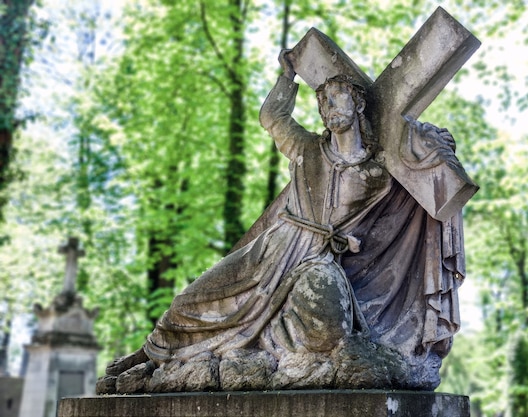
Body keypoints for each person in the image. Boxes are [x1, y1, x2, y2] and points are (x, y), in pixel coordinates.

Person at [98, 50, 467, 393]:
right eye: (321, 100)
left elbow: (426, 202)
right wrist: (287, 78)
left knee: (324, 326)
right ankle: (147, 360)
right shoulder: (307, 149)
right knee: (191, 301)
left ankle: (277, 356)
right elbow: (273, 117)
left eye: (336, 96)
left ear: (357, 103)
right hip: (272, 251)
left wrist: (435, 144)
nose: (326, 106)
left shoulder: (378, 174)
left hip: (317, 261)